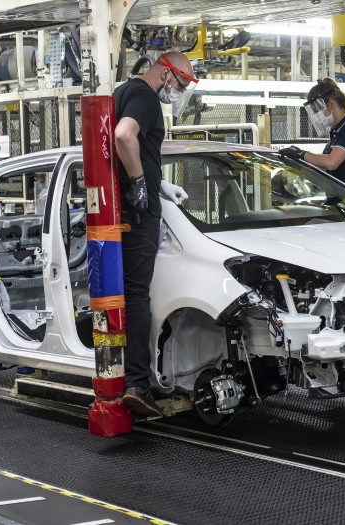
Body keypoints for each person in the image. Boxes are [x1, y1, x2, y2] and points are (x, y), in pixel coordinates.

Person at [113, 50, 196, 418]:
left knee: (126, 293)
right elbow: (124, 135)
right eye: (180, 82)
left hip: (122, 209)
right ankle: (137, 383)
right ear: (165, 71)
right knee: (136, 297)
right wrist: (140, 184)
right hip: (138, 214)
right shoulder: (146, 98)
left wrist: (157, 182)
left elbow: (134, 147)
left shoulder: (125, 92)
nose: (179, 91)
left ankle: (127, 377)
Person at [279, 78, 345, 197]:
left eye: (317, 110)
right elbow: (326, 177)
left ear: (331, 104)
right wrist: (297, 164)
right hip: (340, 199)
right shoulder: (336, 131)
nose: (317, 116)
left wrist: (302, 154)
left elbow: (331, 162)